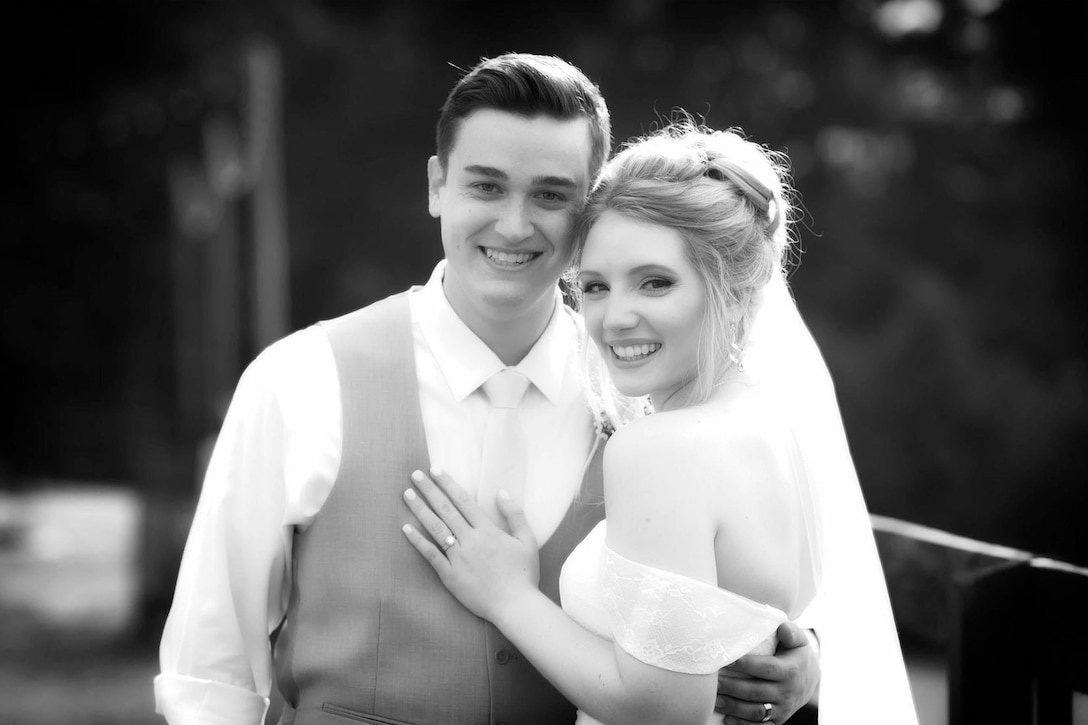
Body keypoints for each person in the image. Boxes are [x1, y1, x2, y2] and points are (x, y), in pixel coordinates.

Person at [154, 53, 821, 724]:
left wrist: (800, 660)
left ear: (590, 209)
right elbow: (210, 677)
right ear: (438, 185)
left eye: (552, 195)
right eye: (487, 187)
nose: (513, 224)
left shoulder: (643, 386)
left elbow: (734, 587)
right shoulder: (300, 379)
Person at [401, 122, 919, 724]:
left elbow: (660, 713)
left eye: (655, 283)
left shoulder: (661, 450)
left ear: (734, 287)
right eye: (594, 286)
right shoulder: (776, 422)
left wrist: (509, 596)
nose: (614, 317)